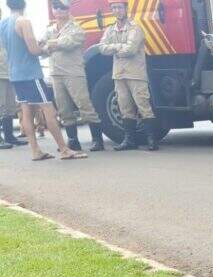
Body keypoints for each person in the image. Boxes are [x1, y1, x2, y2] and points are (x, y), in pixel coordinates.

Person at [0, 0, 85, 160]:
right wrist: (47, 48)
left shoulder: (3, 23)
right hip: (30, 73)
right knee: (49, 111)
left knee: (26, 112)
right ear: (23, 4)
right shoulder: (24, 22)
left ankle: (35, 151)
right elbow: (34, 50)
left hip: (15, 73)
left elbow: (10, 47)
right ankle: (64, 149)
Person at [43, 0, 104, 151]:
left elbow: (67, 43)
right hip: (56, 73)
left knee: (84, 105)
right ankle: (72, 140)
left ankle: (97, 139)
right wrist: (49, 44)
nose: (58, 10)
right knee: (63, 108)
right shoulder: (50, 29)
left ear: (68, 9)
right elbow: (41, 45)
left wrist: (49, 44)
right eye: (55, 7)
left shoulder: (76, 28)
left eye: (62, 7)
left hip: (73, 73)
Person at [99, 0, 158, 151]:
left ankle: (152, 139)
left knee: (143, 105)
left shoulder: (135, 28)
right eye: (113, 8)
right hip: (119, 74)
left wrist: (114, 48)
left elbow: (131, 49)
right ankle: (129, 140)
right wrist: (119, 47)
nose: (116, 10)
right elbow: (102, 48)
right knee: (124, 106)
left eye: (119, 7)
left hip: (135, 73)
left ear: (126, 9)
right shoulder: (110, 29)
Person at [0, 12, 26, 148]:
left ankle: (9, 136)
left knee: (10, 107)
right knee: (1, 106)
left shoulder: (4, 28)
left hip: (9, 72)